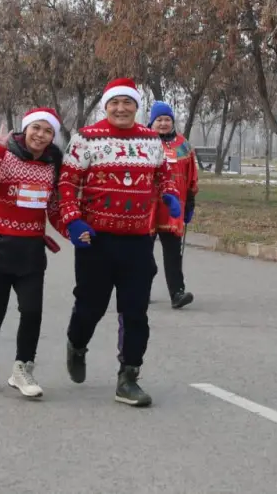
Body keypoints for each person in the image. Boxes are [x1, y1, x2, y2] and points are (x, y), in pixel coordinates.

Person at [52, 78, 179, 407]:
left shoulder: (151, 140)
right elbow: (67, 183)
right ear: (105, 107)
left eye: (127, 103)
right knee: (91, 307)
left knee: (135, 312)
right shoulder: (86, 139)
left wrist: (170, 194)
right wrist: (73, 220)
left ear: (137, 107)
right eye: (114, 103)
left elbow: (164, 174)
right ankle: (76, 344)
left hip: (138, 241)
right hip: (96, 240)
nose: (121, 109)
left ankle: (128, 377)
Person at [0, 109, 63, 398]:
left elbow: (54, 208)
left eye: (48, 131)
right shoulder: (5, 155)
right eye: (36, 128)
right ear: (26, 129)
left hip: (31, 249)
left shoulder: (53, 164)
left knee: (32, 311)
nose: (41, 135)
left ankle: (22, 369)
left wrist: (77, 230)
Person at [148, 101, 199, 309]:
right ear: (152, 122)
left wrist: (190, 202)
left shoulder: (183, 145)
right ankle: (140, 289)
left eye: (167, 119)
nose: (163, 123)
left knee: (173, 254)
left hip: (173, 209)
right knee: (142, 254)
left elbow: (191, 175)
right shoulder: (143, 143)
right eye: (159, 120)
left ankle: (177, 293)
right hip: (147, 210)